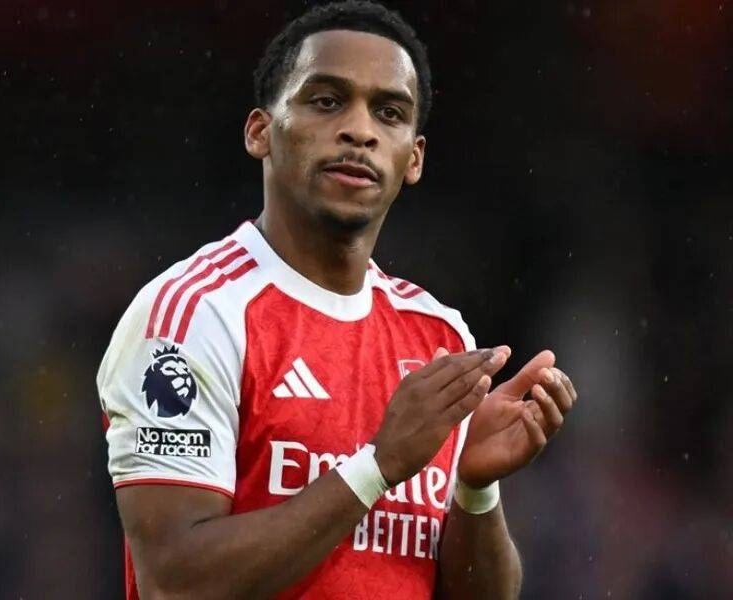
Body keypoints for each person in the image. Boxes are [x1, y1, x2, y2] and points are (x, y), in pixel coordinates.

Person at [96, 1, 578, 598]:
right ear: (260, 132)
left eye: (389, 112)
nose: (359, 130)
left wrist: (475, 488)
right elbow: (176, 583)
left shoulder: (439, 336)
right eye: (326, 101)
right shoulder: (192, 316)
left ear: (413, 158)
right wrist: (377, 466)